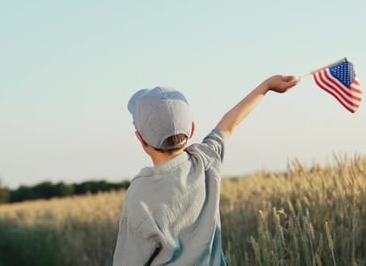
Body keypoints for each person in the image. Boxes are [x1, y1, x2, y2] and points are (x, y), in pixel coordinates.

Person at [112, 75, 299, 266]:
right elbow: (230, 122)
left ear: (141, 139)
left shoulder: (139, 195)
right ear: (192, 130)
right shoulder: (205, 160)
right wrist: (266, 86)